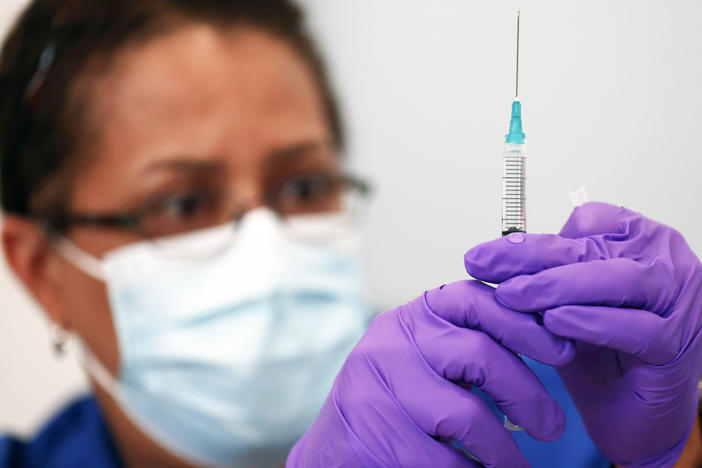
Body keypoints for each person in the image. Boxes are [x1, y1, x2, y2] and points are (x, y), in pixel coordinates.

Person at [0, 1, 700, 467]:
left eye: (303, 187)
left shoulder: (540, 415)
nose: (265, 245)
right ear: (36, 269)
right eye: (182, 204)